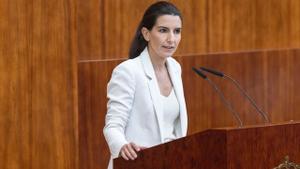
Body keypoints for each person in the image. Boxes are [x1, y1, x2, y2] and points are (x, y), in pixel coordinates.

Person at [103, 1, 188, 168]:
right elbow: (112, 126)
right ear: (146, 33)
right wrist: (122, 146)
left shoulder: (175, 68)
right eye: (163, 30)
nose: (171, 39)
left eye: (177, 31)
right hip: (137, 163)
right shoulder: (128, 71)